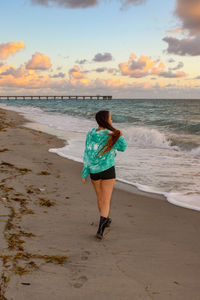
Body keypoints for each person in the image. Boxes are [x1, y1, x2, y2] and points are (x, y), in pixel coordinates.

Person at [81, 110, 127, 239]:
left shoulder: (90, 133)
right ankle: (101, 229)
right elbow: (123, 148)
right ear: (106, 120)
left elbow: (87, 153)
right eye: (111, 118)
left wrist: (85, 172)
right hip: (107, 169)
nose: (112, 120)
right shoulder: (112, 134)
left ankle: (105, 219)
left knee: (100, 198)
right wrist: (120, 135)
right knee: (106, 200)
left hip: (94, 171)